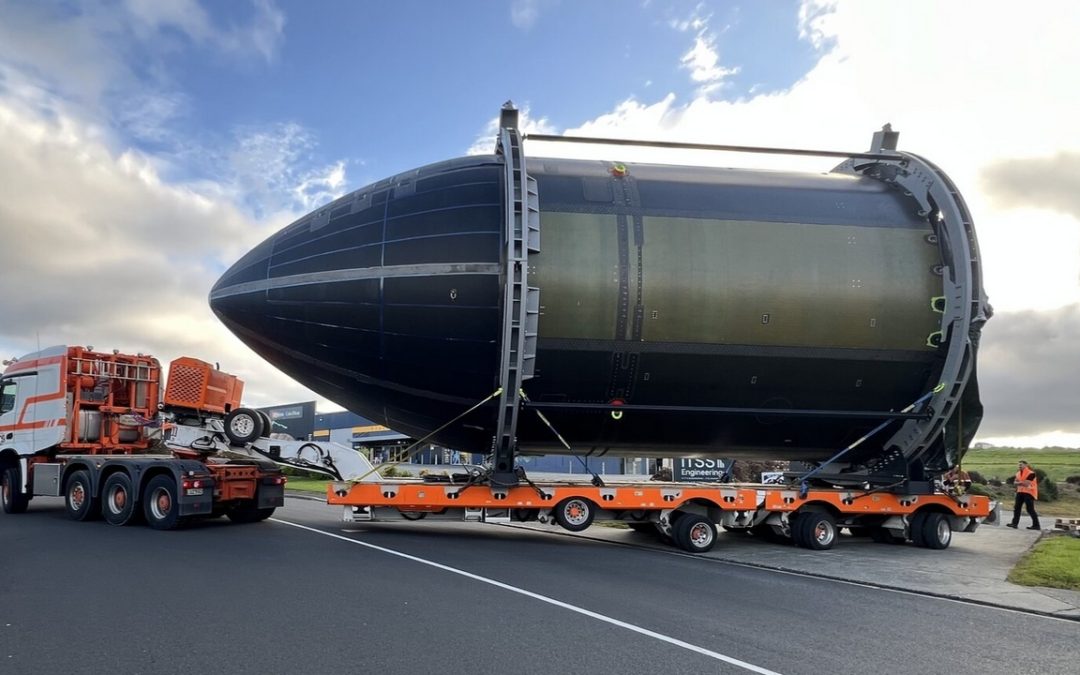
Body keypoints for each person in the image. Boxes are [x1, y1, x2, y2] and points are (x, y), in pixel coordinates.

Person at [1006, 460, 1041, 530]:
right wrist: (1020, 483)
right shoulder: (1018, 473)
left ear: (1026, 465)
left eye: (1021, 465)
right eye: (1019, 465)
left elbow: (1026, 484)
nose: (1019, 466)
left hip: (1029, 492)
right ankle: (1014, 524)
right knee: (1016, 508)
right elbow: (1015, 482)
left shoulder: (1031, 473)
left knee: (1030, 509)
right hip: (1020, 491)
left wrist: (1018, 483)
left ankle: (1036, 525)